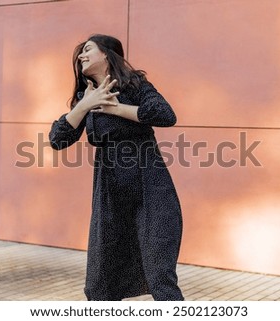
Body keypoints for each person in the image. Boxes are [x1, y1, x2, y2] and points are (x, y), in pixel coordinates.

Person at [49, 34, 184, 301]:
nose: (80, 56)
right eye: (79, 53)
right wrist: (86, 104)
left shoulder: (135, 85)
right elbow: (58, 139)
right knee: (100, 286)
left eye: (87, 49)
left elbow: (165, 115)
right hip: (109, 197)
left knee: (161, 279)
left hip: (150, 189)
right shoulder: (85, 97)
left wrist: (115, 108)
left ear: (108, 54)